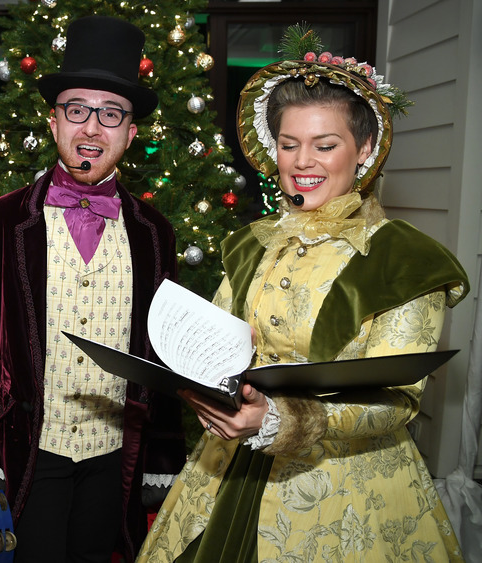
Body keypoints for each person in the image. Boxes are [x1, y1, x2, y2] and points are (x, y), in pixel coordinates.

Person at [137, 25, 469, 562]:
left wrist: (281, 419)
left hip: (344, 491)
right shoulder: (251, 244)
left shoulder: (404, 261)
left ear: (364, 148)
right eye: (289, 144)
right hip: (229, 466)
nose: (302, 161)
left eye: (325, 145)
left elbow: (397, 402)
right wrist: (205, 392)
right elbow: (213, 344)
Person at [0, 16, 187, 562]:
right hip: (29, 451)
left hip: (114, 457)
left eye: (111, 114)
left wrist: (161, 457)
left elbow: (165, 353)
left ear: (131, 132)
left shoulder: (155, 233)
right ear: (55, 122)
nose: (91, 129)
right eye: (77, 110)